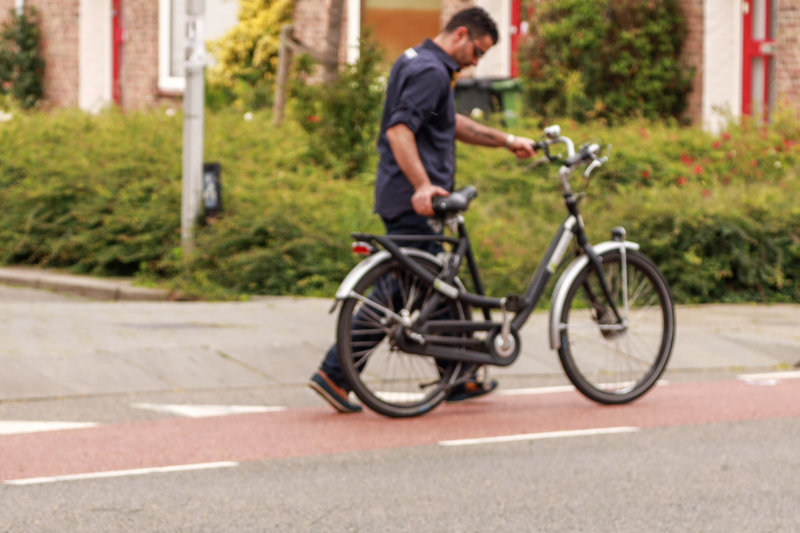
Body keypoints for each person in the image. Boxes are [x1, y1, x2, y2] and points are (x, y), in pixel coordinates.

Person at [310, 7, 538, 413]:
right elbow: (400, 129)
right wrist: (422, 185)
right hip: (412, 199)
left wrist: (507, 139)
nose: (476, 62)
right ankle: (335, 373)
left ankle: (461, 375)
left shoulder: (419, 60)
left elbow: (451, 123)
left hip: (406, 196)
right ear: (462, 34)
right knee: (397, 290)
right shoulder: (432, 71)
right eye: (478, 51)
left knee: (439, 283)